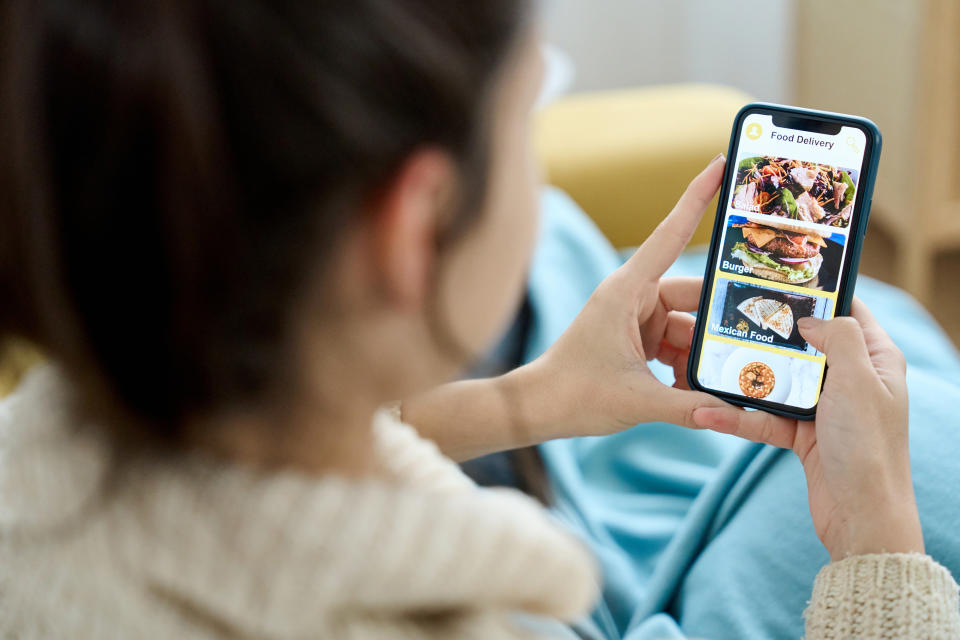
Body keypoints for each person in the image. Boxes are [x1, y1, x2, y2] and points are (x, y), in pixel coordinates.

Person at [0, 1, 956, 638]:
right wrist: (882, 550)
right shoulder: (478, 613)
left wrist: (519, 406)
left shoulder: (26, 463)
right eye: (526, 114)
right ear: (416, 222)